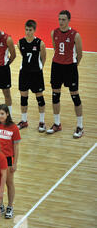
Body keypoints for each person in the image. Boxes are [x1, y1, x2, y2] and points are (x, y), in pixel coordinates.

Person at [47, 10, 83, 138]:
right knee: (55, 95)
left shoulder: (75, 35)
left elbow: (80, 54)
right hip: (56, 66)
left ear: (68, 20)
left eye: (63, 19)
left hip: (70, 67)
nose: (61, 22)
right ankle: (57, 123)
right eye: (59, 19)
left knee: (75, 96)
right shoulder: (54, 33)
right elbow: (56, 48)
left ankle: (80, 126)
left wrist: (73, 65)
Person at [17, 20, 47, 132]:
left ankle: (42, 122)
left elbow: (43, 58)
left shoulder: (40, 43)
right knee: (24, 97)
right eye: (26, 29)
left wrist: (39, 68)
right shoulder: (20, 42)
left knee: (39, 97)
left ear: (34, 30)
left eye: (30, 30)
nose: (28, 32)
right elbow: (22, 55)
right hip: (24, 73)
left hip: (36, 74)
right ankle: (24, 121)